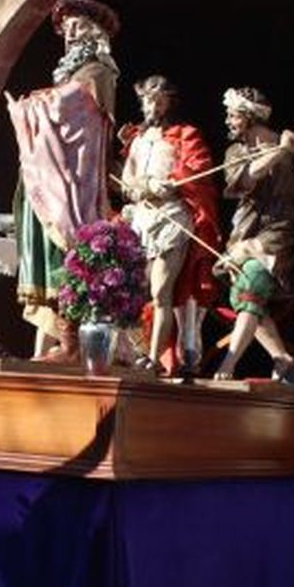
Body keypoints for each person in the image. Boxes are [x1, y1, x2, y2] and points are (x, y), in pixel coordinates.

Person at [8, 0, 121, 364]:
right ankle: (43, 348)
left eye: (78, 24)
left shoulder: (98, 71)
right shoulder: (69, 72)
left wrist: (31, 107)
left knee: (68, 254)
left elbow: (69, 110)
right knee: (46, 254)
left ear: (95, 31)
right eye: (66, 25)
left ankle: (72, 345)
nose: (69, 31)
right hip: (48, 170)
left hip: (73, 177)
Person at [211, 88, 294, 382]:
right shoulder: (237, 151)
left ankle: (228, 363)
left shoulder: (288, 148)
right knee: (245, 296)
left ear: (249, 117)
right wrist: (280, 150)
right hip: (246, 230)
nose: (228, 121)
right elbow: (246, 178)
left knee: (252, 282)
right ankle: (281, 357)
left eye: (233, 115)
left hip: (280, 232)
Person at [116, 75, 222, 376]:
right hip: (141, 217)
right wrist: (136, 188)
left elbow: (198, 172)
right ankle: (133, 350)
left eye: (160, 99)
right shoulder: (137, 138)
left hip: (171, 216)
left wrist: (172, 183)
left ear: (169, 102)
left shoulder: (185, 134)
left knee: (161, 288)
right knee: (135, 288)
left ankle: (153, 358)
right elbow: (126, 179)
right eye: (149, 99)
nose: (154, 104)